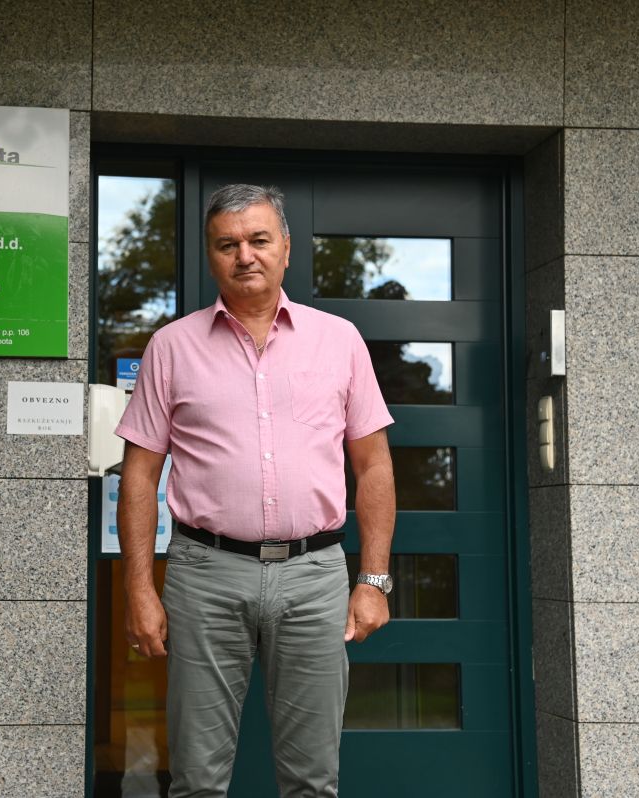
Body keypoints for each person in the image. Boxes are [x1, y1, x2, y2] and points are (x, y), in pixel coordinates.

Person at [114, 183, 397, 798]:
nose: (245, 255)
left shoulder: (339, 341)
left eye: (259, 240)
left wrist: (374, 580)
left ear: (286, 249)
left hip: (314, 577)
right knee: (197, 778)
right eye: (227, 244)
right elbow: (139, 474)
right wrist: (139, 587)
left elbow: (373, 466)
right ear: (211, 256)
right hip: (205, 575)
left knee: (312, 781)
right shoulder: (171, 347)